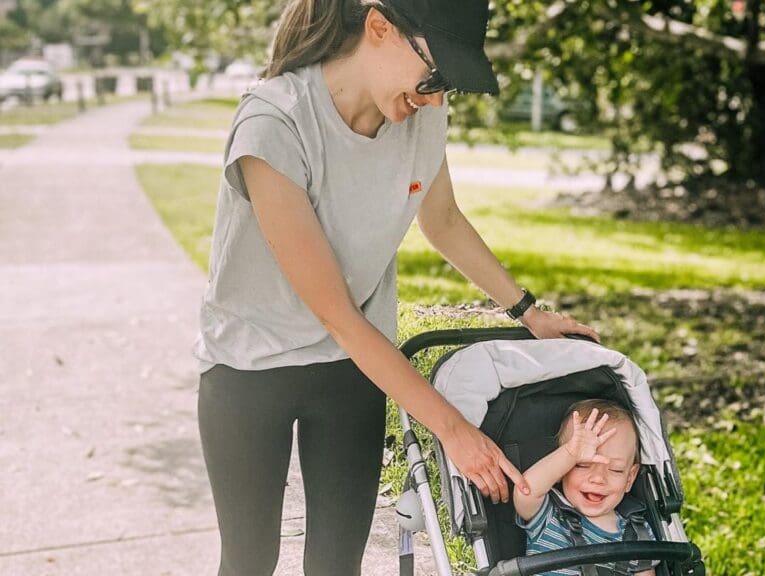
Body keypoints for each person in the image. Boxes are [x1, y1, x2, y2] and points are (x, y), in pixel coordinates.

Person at [192, 0, 602, 574]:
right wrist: (453, 431)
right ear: (380, 28)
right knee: (249, 561)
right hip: (249, 365)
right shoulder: (274, 121)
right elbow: (337, 312)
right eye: (434, 76)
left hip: (351, 369)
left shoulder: (420, 112)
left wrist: (529, 312)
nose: (436, 99)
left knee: (337, 562)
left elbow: (444, 222)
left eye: (448, 86)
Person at [513, 400, 656, 576]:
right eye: (582, 465)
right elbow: (525, 489)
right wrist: (570, 454)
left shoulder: (638, 531)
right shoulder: (550, 517)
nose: (598, 478)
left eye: (615, 469)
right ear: (563, 470)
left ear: (630, 478)